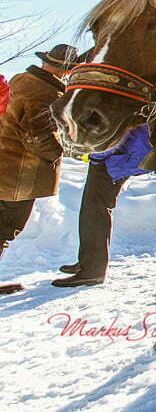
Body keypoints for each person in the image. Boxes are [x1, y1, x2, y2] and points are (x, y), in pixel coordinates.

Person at [0, 44, 79, 295]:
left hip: (5, 163)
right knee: (6, 226)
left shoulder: (21, 80)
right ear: (67, 71)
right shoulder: (45, 93)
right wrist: (62, 150)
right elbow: (38, 136)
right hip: (19, 174)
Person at [52, 124, 156, 287]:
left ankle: (92, 271)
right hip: (113, 159)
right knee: (91, 210)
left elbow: (117, 136)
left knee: (96, 212)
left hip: (115, 160)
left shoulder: (123, 106)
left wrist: (98, 154)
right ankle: (87, 262)